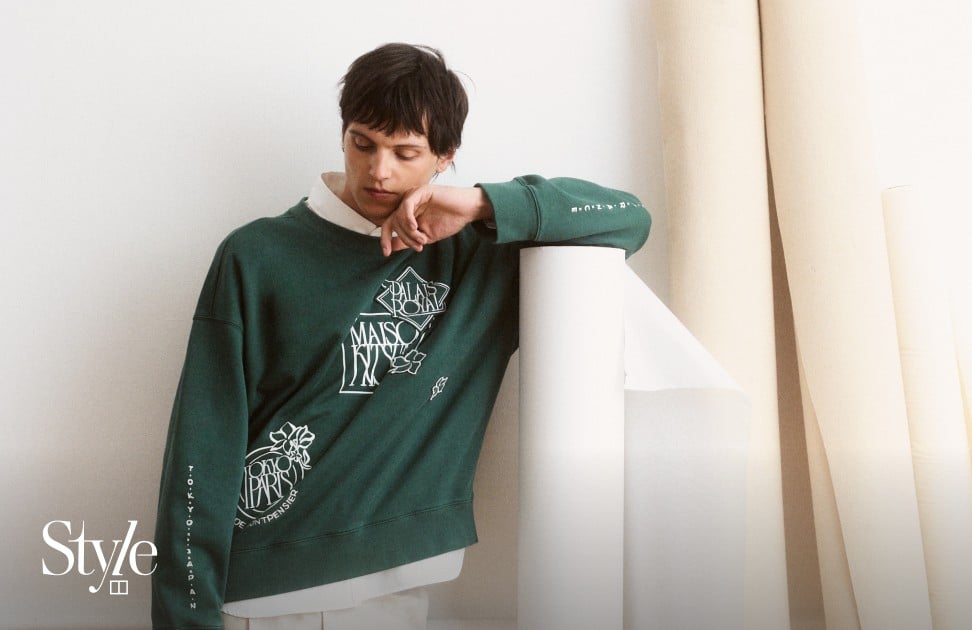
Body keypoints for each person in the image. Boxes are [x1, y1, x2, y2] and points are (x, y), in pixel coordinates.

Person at [151, 43, 650, 629]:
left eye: (405, 153)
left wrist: (483, 203)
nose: (379, 171)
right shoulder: (256, 255)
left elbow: (627, 217)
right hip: (269, 589)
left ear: (445, 158)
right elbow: (202, 449)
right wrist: (185, 615)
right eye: (363, 143)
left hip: (404, 579)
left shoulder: (478, 254)